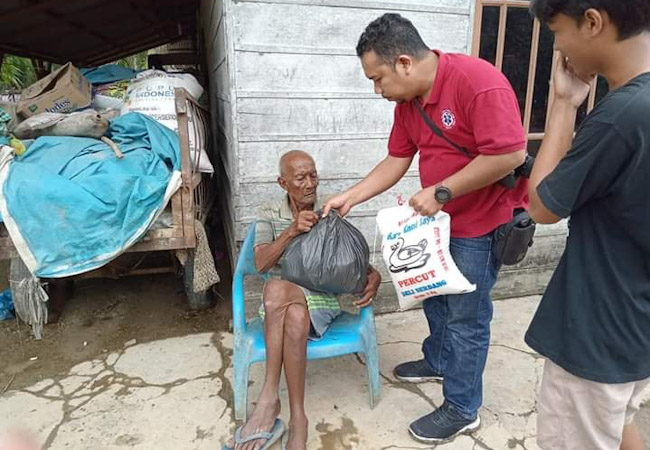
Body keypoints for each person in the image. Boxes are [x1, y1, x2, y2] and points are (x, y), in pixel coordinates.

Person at [322, 13, 528, 444]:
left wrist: (441, 192)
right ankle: (437, 360)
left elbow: (509, 154)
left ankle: (462, 407)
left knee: (466, 319)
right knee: (434, 296)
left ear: (403, 63)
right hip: (438, 225)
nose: (377, 90)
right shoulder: (408, 103)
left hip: (481, 223)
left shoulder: (477, 82)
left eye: (378, 78)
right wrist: (352, 197)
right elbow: (397, 160)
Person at [525, 1, 650, 449]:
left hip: (596, 329)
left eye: (556, 30)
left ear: (593, 22)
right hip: (635, 327)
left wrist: (563, 103)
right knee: (619, 424)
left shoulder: (622, 115)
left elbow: (542, 206)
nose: (556, 45)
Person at [226, 150, 381, 450]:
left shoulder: (330, 210)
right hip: (281, 311)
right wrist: (291, 230)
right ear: (283, 183)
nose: (309, 184)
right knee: (288, 308)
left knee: (275, 291)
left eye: (313, 175)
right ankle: (298, 418)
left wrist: (373, 274)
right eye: (300, 178)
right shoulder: (269, 212)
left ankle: (269, 398)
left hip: (321, 303)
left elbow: (350, 258)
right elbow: (260, 264)